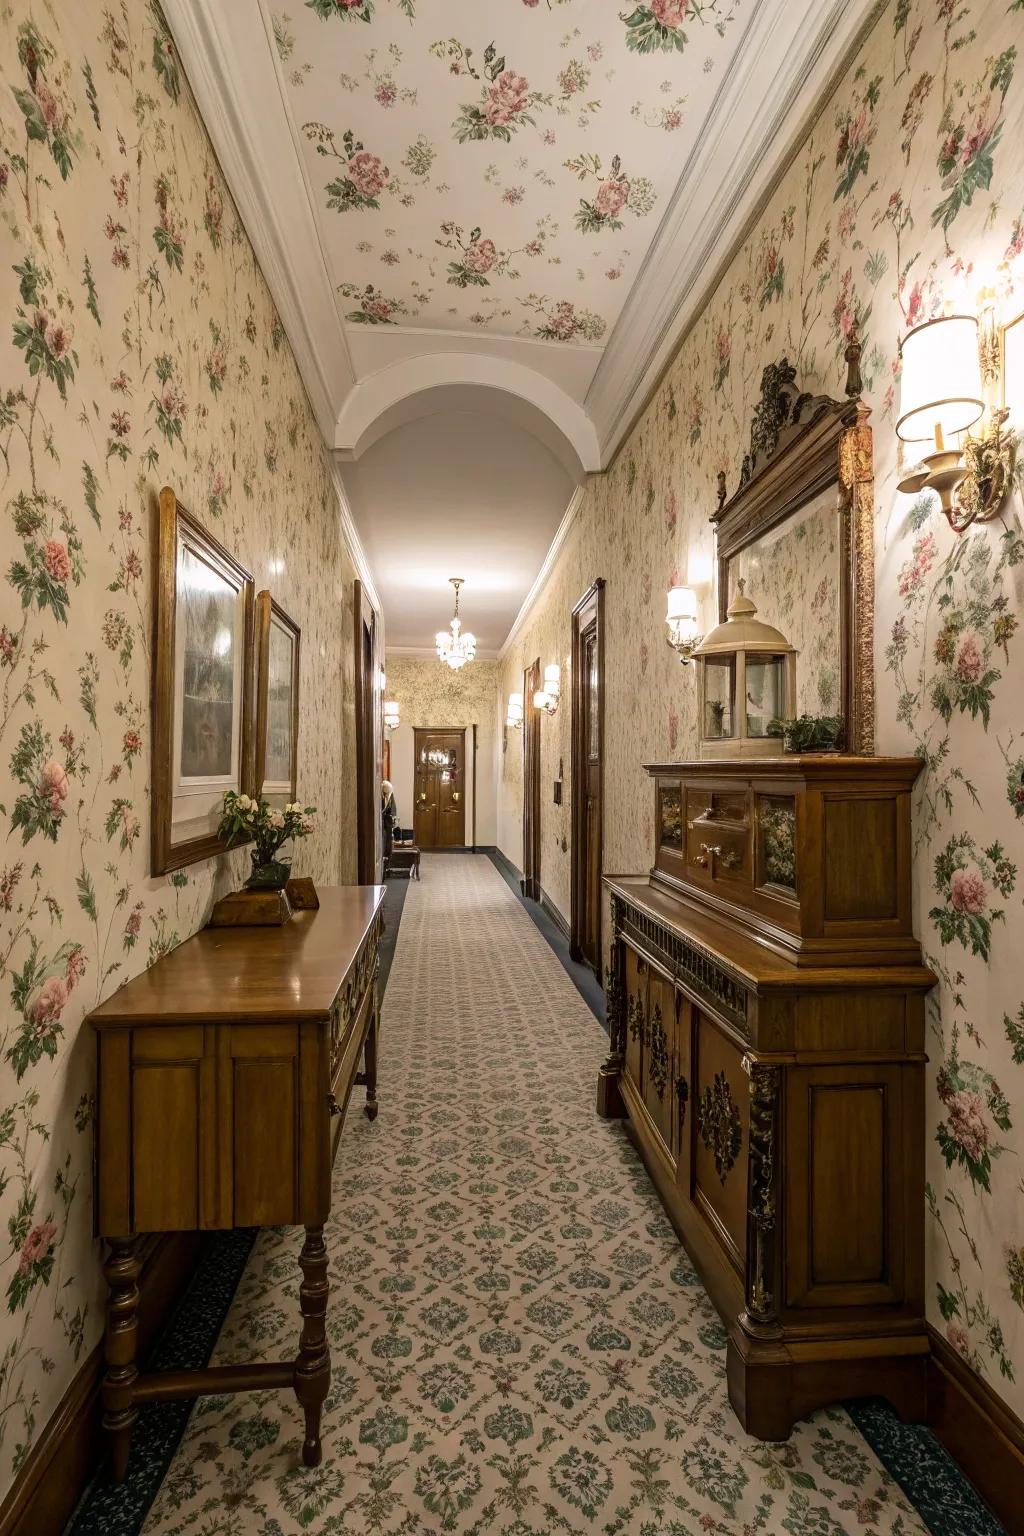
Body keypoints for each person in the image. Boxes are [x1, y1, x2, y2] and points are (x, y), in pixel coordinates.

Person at [381, 779, 398, 871]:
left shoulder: (389, 793)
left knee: (388, 844)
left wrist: (394, 818)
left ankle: (387, 865)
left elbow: (393, 808)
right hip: (382, 825)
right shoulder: (381, 795)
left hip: (387, 824)